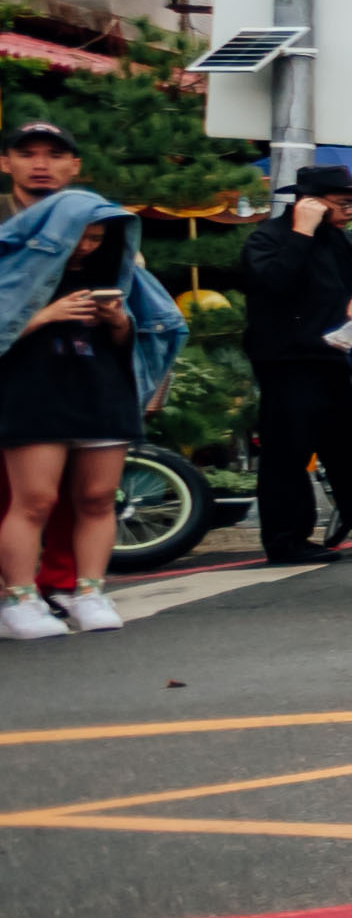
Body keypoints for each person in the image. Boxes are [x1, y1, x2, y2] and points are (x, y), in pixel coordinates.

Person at [0, 122, 185, 635]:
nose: (41, 164)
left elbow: (148, 325)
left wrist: (119, 324)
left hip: (96, 386)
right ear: (6, 162)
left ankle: (75, 588)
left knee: (93, 496)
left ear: (75, 165)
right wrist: (40, 315)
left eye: (54, 154)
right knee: (29, 498)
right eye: (28, 153)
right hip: (27, 388)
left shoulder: (109, 231)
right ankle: (18, 596)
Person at [237, 164, 352, 566]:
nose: (350, 211)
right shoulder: (269, 237)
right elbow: (273, 284)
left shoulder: (346, 241)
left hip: (339, 357)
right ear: (310, 203)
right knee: (288, 450)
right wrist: (302, 233)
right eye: (342, 203)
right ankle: (286, 538)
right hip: (288, 360)